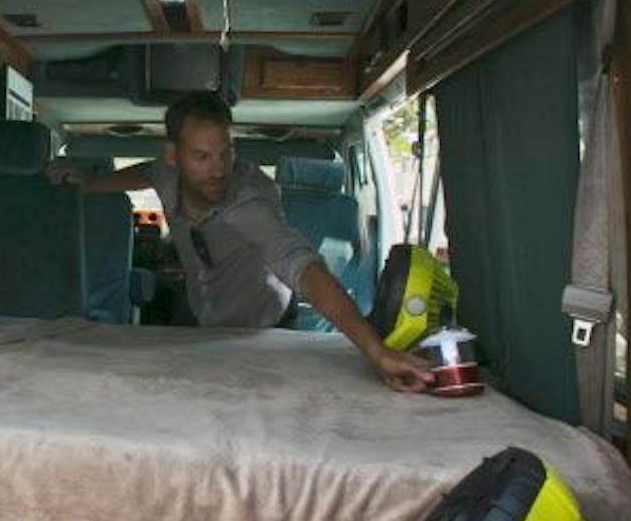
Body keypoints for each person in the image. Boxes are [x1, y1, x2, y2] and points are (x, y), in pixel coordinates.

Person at [50, 92, 433, 392]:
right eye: (202, 156)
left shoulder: (250, 201)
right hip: (204, 318)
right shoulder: (165, 175)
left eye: (225, 153)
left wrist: (376, 351)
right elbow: (144, 174)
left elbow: (303, 266)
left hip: (265, 330)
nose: (218, 169)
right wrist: (90, 184)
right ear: (174, 156)